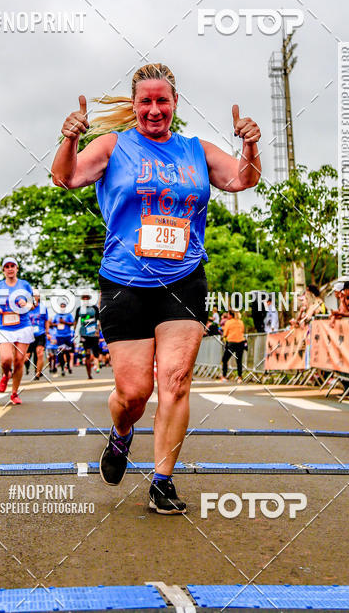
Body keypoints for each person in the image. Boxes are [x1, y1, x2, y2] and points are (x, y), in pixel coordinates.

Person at [51, 62, 261, 514]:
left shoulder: (195, 150)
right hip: (125, 281)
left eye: (161, 100)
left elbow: (242, 179)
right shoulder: (113, 146)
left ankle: (162, 481)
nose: (153, 109)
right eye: (145, 101)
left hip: (183, 278)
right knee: (133, 395)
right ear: (134, 105)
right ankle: (122, 434)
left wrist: (250, 145)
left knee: (177, 381)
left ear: (175, 104)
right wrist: (69, 138)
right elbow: (65, 177)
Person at [0, 257, 34, 404]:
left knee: (19, 361)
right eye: (7, 266)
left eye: (12, 266)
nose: (10, 269)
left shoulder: (24, 285)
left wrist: (25, 303)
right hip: (4, 327)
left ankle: (14, 393)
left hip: (23, 326)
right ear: (3, 270)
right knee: (6, 359)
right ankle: (6, 374)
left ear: (17, 268)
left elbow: (32, 305)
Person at [75, 292, 101, 380]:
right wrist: (74, 332)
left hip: (93, 333)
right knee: (87, 354)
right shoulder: (79, 309)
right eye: (84, 298)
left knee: (95, 352)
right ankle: (89, 374)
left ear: (89, 299)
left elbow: (99, 320)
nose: (85, 300)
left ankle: (96, 365)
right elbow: (76, 321)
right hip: (84, 334)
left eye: (87, 298)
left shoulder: (94, 308)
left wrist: (98, 330)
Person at [25, 291, 49, 380]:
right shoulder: (26, 308)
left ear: (38, 297)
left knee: (39, 353)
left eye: (36, 296)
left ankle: (37, 374)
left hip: (40, 334)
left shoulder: (42, 307)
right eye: (32, 296)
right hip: (28, 335)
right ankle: (22, 368)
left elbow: (46, 320)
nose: (34, 297)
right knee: (26, 357)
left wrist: (47, 332)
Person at [221, 310, 246, 382]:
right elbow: (242, 331)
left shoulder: (228, 322)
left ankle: (224, 376)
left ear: (231, 315)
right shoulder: (241, 322)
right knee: (239, 360)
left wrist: (223, 337)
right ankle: (240, 377)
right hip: (241, 342)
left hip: (231, 342)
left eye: (228, 314)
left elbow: (225, 333)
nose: (228, 316)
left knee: (225, 359)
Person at [52, 301, 75, 376]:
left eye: (63, 306)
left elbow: (72, 323)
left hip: (67, 335)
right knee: (60, 352)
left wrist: (64, 322)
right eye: (61, 306)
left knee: (67, 352)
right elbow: (52, 323)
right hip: (59, 336)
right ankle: (62, 368)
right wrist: (57, 324)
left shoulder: (68, 315)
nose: (62, 307)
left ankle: (68, 365)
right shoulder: (56, 315)